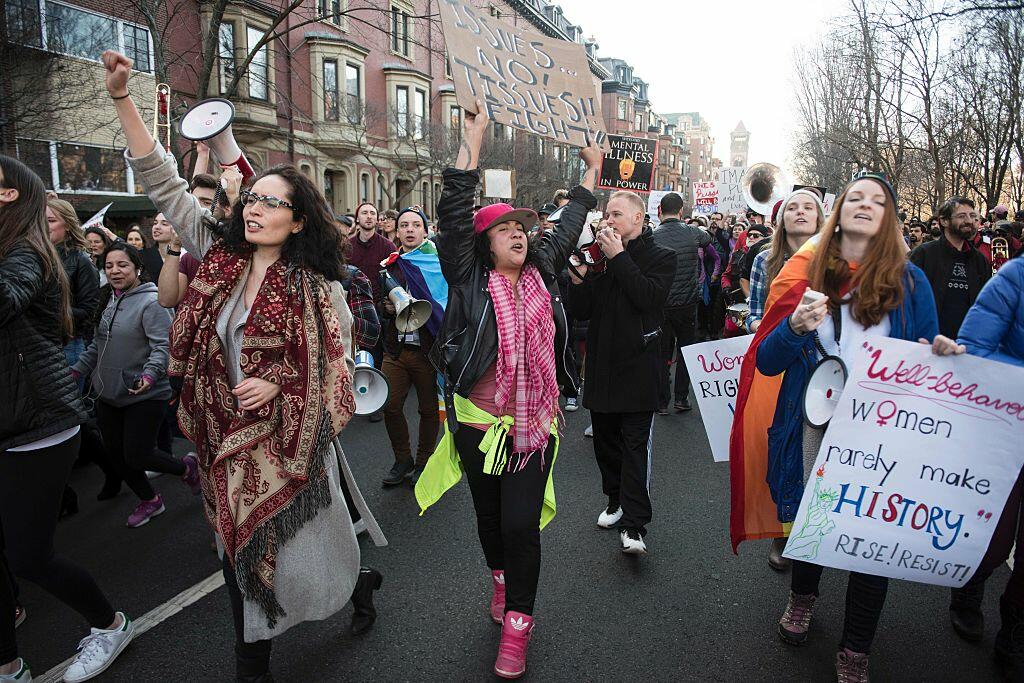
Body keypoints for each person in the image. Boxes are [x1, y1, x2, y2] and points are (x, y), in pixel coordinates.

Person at [103, 48, 385, 680]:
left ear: (299, 218)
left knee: (314, 555)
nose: (252, 208)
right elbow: (163, 184)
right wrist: (123, 100)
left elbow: (337, 370)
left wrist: (282, 388)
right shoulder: (217, 253)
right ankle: (250, 660)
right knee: (238, 550)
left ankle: (357, 586)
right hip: (225, 438)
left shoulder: (319, 287)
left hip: (291, 444)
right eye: (250, 198)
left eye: (269, 202)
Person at [732, 174, 950, 682]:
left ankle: (856, 647)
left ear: (890, 218)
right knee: (817, 524)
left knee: (873, 536)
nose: (866, 205)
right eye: (856, 197)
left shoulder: (909, 282)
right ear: (840, 211)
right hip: (818, 425)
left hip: (883, 431)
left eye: (879, 201)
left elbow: (929, 357)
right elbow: (766, 360)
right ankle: (803, 599)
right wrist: (794, 327)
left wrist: (937, 352)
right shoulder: (803, 274)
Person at [415, 102, 601, 680]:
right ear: (484, 243)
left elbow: (569, 222)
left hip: (533, 425)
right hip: (475, 424)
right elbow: (451, 212)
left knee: (520, 525)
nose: (519, 234)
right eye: (505, 228)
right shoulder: (467, 277)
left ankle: (518, 624)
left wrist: (589, 174)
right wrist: (472, 137)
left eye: (522, 227)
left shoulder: (544, 271)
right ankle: (500, 581)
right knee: (489, 518)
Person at [1, 154, 134, 683]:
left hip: (37, 424)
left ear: (9, 194)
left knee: (30, 557)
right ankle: (8, 664)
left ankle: (110, 623)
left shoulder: (25, 253)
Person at [567, 189, 676, 555]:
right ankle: (614, 500)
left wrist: (618, 259)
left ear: (638, 219)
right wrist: (580, 279)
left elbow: (648, 297)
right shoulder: (598, 259)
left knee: (634, 448)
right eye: (606, 214)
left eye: (615, 214)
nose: (608, 220)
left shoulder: (662, 256)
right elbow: (582, 312)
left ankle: (634, 524)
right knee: (606, 444)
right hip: (602, 367)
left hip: (639, 369)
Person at [71, 242, 199, 526]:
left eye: (122, 265)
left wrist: (150, 375)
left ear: (138, 268)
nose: (115, 271)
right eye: (109, 266)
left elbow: (163, 346)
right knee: (117, 456)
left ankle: (186, 468)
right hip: (109, 395)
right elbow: (98, 346)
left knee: (138, 454)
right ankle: (150, 500)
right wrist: (76, 372)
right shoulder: (109, 300)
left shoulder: (152, 302)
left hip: (145, 394)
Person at [743, 189, 825, 572]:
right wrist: (763, 328)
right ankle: (783, 530)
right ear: (781, 218)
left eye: (809, 206)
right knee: (781, 448)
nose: (800, 211)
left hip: (822, 366)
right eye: (792, 206)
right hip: (777, 361)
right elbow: (754, 313)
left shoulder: (835, 260)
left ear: (822, 218)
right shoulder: (764, 260)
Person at [946, 260, 1024, 662]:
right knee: (995, 538)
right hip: (1008, 430)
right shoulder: (1015, 276)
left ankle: (1014, 629)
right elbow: (975, 350)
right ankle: (969, 587)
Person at [379, 207, 440, 487]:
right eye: (404, 225)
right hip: (397, 349)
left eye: (416, 225)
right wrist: (387, 307)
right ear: (397, 231)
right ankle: (402, 459)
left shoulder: (437, 263)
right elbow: (375, 303)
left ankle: (424, 460)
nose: (410, 229)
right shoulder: (389, 266)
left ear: (426, 231)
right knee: (390, 406)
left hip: (427, 351)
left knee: (428, 410)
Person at [651, 191, 712, 414]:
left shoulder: (652, 235)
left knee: (661, 353)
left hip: (662, 304)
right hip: (687, 304)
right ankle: (681, 398)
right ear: (681, 211)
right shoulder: (693, 232)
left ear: (659, 212)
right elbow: (708, 240)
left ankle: (660, 401)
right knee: (686, 352)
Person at [909, 196, 990, 339]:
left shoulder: (980, 261)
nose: (969, 221)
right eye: (961, 216)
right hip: (927, 343)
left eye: (972, 216)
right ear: (944, 221)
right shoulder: (922, 255)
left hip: (967, 345)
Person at [46, 198, 100, 366]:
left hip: (68, 344)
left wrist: (50, 311)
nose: (44, 225)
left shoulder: (81, 260)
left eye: (51, 221)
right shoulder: (35, 257)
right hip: (38, 342)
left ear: (68, 225)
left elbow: (89, 310)